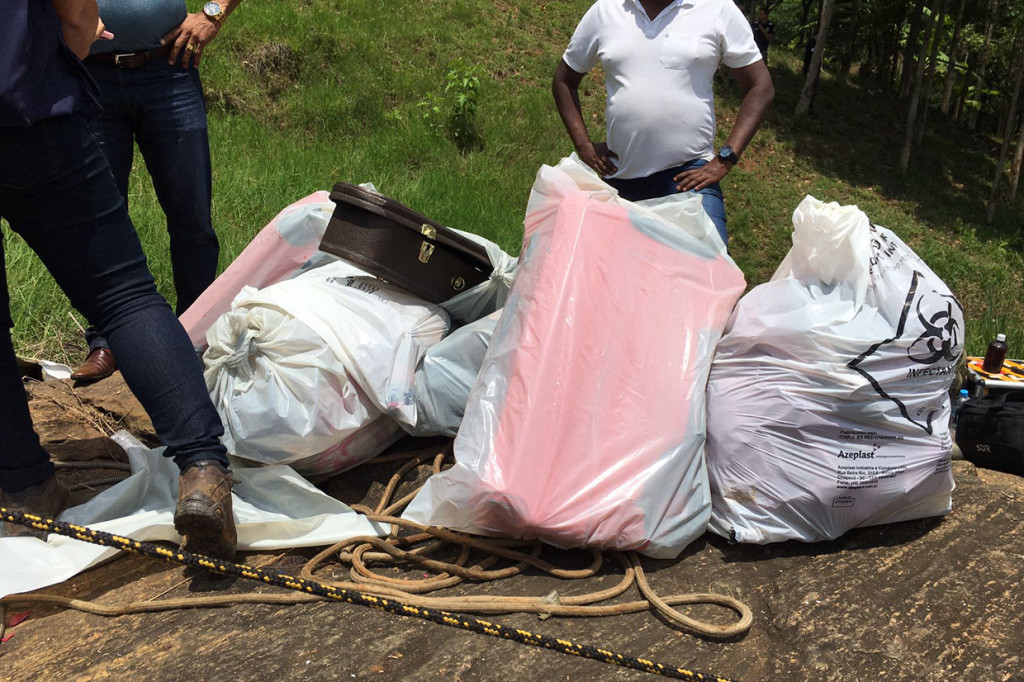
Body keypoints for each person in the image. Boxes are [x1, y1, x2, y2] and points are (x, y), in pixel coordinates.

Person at [0, 0, 236, 560]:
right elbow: (78, 17)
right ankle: (202, 469)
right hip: (31, 114)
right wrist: (56, 59)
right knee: (123, 295)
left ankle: (25, 486)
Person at [70, 0, 242, 382]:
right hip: (89, 75)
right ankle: (107, 341)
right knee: (100, 222)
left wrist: (212, 14)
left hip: (169, 70)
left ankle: (196, 334)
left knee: (191, 218)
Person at [552, 0, 774, 244]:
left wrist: (726, 158)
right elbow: (564, 79)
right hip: (620, 182)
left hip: (688, 180)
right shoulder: (606, 10)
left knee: (709, 266)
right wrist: (584, 146)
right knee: (609, 268)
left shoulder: (716, 8)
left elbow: (760, 86)